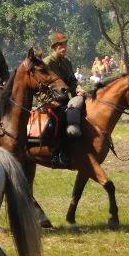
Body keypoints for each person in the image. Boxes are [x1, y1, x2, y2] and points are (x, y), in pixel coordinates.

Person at [43, 31, 84, 166]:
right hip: (50, 100)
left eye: (65, 45)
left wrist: (78, 89)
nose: (64, 48)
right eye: (60, 46)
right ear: (54, 47)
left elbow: (72, 81)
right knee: (60, 118)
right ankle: (56, 154)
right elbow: (43, 85)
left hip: (64, 99)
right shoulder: (47, 62)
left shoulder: (67, 62)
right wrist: (50, 100)